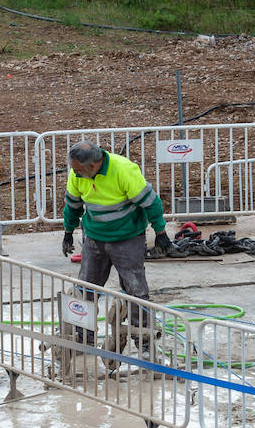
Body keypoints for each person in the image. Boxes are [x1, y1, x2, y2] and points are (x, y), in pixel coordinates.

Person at [60, 142, 171, 346]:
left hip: (127, 238)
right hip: (94, 238)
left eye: (77, 169)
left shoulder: (123, 170)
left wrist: (160, 232)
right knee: (85, 289)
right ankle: (83, 338)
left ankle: (144, 340)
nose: (74, 173)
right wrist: (68, 232)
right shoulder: (77, 174)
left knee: (136, 291)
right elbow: (72, 206)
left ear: (92, 166)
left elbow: (151, 202)